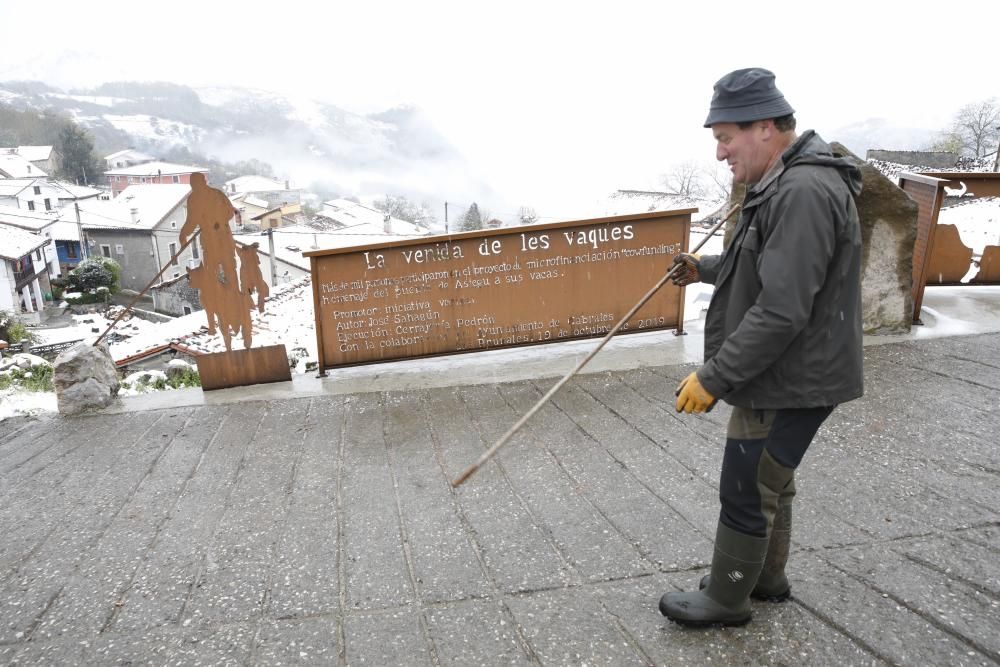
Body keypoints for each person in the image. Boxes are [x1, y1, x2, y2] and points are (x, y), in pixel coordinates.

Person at [658, 68, 864, 627]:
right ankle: (764, 578)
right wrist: (703, 268)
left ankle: (727, 599)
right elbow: (765, 266)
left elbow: (782, 309)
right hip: (793, 369)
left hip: (790, 373)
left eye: (726, 137)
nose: (721, 152)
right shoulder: (789, 180)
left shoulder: (801, 191)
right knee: (775, 479)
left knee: (749, 483)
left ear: (766, 127)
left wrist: (713, 377)